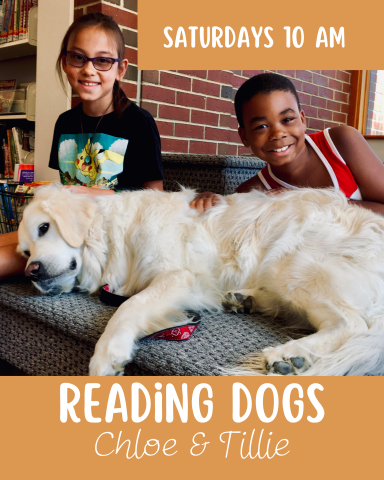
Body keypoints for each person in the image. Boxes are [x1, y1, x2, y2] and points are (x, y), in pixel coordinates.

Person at [0, 12, 164, 280]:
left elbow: (156, 201)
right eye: (78, 57)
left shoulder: (139, 122)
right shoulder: (65, 122)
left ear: (120, 69)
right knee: (10, 238)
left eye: (102, 60)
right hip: (67, 225)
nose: (88, 69)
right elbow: (66, 186)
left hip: (109, 237)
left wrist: (89, 194)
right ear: (65, 62)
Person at [190, 72, 384, 215]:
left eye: (287, 120)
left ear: (302, 119)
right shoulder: (253, 192)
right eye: (261, 126)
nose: (278, 134)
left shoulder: (341, 142)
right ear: (245, 137)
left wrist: (306, 202)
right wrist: (209, 199)